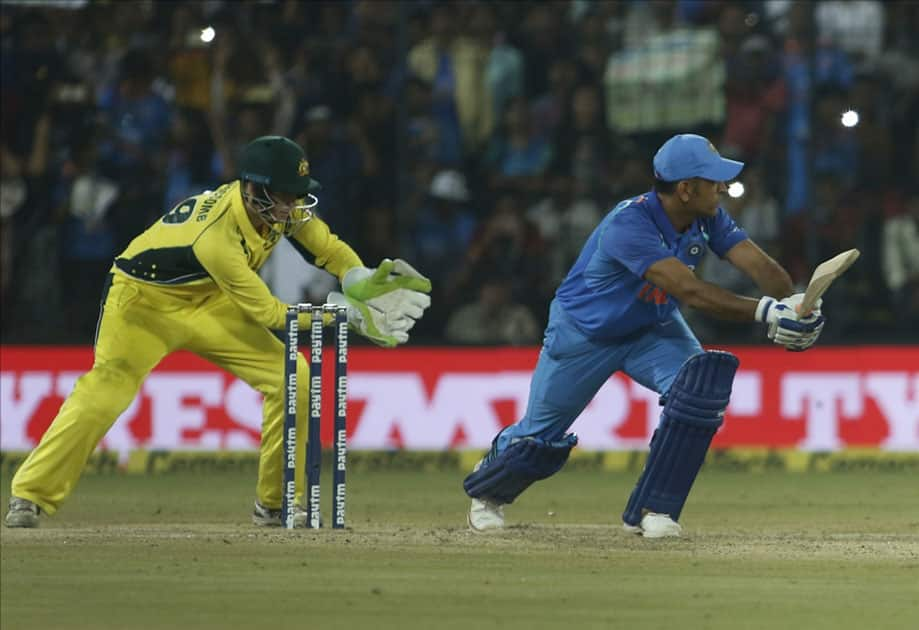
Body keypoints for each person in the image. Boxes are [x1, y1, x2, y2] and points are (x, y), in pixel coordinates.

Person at [5, 136, 432, 528]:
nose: (293, 207)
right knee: (104, 395)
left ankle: (276, 503)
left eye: (296, 195)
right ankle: (30, 495)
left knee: (294, 381)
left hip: (210, 301)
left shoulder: (279, 210)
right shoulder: (216, 239)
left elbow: (327, 246)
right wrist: (343, 319)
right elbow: (268, 313)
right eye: (284, 197)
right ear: (253, 189)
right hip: (141, 305)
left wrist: (357, 277)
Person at [463, 134, 825, 537]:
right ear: (686, 189)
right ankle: (488, 492)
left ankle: (655, 510)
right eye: (714, 179)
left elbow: (760, 267)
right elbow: (689, 290)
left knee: (699, 391)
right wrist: (765, 312)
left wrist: (795, 301)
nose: (722, 187)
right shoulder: (628, 224)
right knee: (538, 439)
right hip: (585, 333)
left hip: (652, 328)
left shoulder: (708, 216)